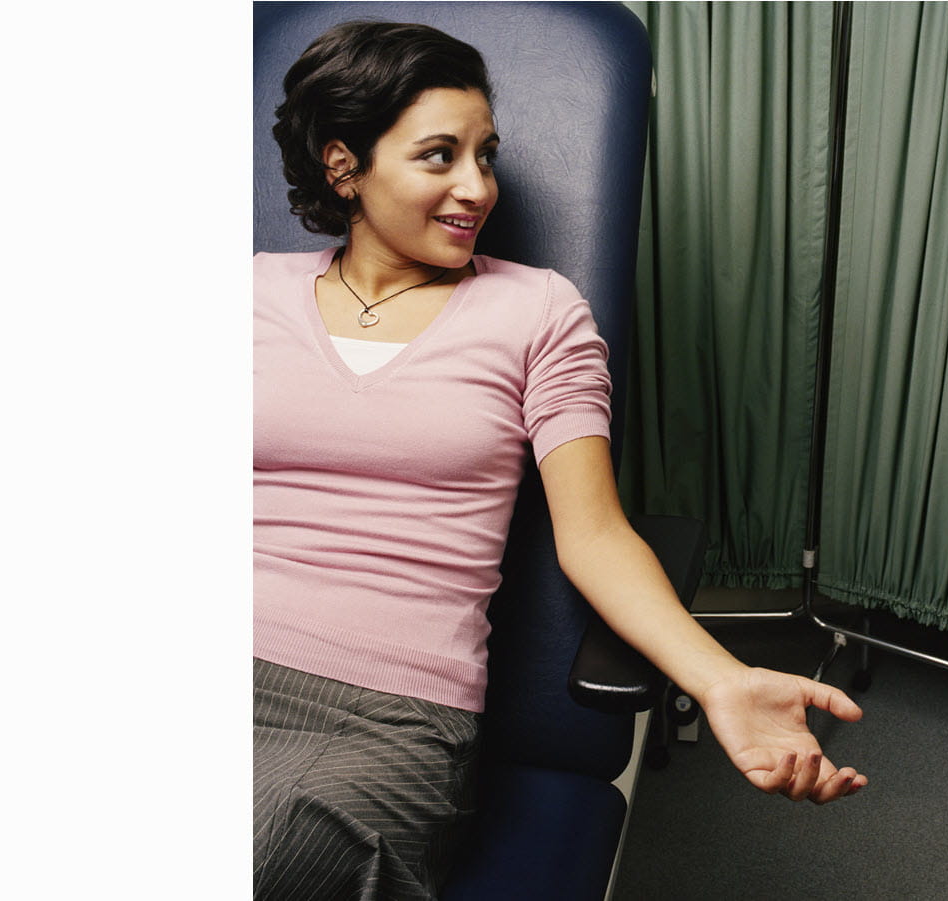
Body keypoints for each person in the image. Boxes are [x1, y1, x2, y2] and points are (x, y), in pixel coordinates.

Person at [254, 20, 867, 900]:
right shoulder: (246, 293)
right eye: (439, 156)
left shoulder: (537, 311)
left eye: (486, 155)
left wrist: (721, 677)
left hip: (381, 715)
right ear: (344, 165)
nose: (478, 187)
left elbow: (596, 535)